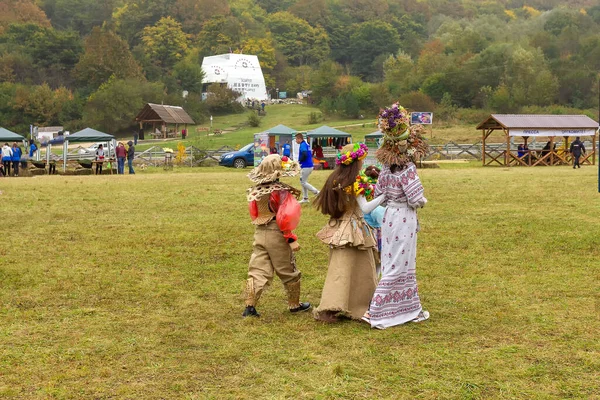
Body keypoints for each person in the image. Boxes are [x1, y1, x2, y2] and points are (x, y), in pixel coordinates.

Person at [367, 103, 430, 329]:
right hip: (405, 216)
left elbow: (379, 194)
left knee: (390, 260)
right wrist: (423, 201)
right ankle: (381, 310)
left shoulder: (384, 168)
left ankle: (407, 307)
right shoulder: (408, 169)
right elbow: (415, 198)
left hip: (389, 216)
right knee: (401, 263)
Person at [313, 143, 385, 323]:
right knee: (363, 268)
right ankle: (361, 305)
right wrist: (384, 196)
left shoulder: (334, 179)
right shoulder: (354, 182)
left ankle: (334, 304)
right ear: (356, 162)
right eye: (361, 160)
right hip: (354, 228)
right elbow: (366, 207)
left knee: (340, 268)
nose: (363, 163)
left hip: (339, 227)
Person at [242, 154, 311, 317]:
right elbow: (286, 216)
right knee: (288, 269)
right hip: (277, 232)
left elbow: (254, 213)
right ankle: (294, 305)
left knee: (257, 269)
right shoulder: (281, 192)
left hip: (260, 232)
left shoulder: (256, 192)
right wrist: (290, 238)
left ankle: (249, 306)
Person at [295, 133, 319, 203]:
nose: (296, 141)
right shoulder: (306, 144)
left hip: (306, 166)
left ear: (300, 139)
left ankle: (317, 192)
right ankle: (305, 198)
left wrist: (299, 161)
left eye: (296, 139)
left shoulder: (302, 145)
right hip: (308, 165)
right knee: (303, 181)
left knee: (303, 182)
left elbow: (305, 154)